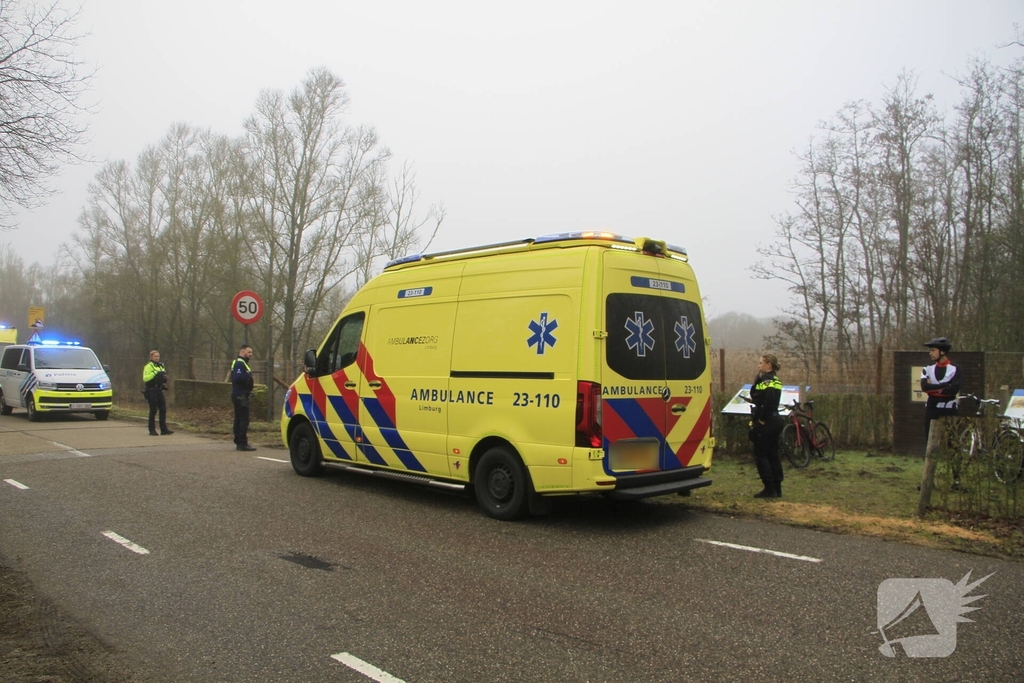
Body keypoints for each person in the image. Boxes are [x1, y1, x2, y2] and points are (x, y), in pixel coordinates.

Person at [921, 336, 962, 484]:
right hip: (932, 409)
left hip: (950, 409)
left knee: (953, 444)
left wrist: (936, 389)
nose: (930, 353)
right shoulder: (927, 369)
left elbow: (954, 390)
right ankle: (927, 480)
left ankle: (956, 480)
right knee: (930, 444)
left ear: (942, 352)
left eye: (933, 350)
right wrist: (944, 387)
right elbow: (925, 387)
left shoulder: (955, 369)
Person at [749, 353, 785, 498]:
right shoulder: (776, 380)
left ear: (768, 364)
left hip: (767, 421)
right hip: (776, 420)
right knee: (773, 454)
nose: (759, 366)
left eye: (761, 363)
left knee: (760, 454)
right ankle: (777, 487)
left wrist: (762, 420)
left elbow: (768, 400)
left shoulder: (766, 381)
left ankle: (769, 488)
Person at [231, 344, 256, 451]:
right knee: (243, 420)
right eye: (249, 352)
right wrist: (248, 377)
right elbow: (237, 378)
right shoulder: (240, 364)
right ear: (242, 352)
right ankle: (242, 443)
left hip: (240, 394)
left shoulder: (242, 363)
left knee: (239, 419)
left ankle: (238, 441)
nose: (251, 354)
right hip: (240, 395)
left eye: (251, 352)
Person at [142, 350, 173, 436]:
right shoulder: (149, 366)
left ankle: (163, 429)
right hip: (151, 390)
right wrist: (155, 373)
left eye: (158, 356)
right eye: (155, 356)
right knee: (153, 410)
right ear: (151, 357)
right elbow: (145, 378)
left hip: (159, 389)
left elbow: (162, 376)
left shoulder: (161, 366)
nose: (157, 358)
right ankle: (152, 429)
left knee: (163, 409)